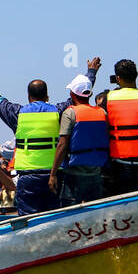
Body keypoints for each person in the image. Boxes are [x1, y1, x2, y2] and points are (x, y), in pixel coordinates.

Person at [0, 57, 98, 215]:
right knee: (55, 219)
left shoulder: (17, 114)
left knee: (30, 223)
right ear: (47, 96)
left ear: (28, 97)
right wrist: (91, 73)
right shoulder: (58, 112)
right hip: (54, 177)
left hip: (28, 179)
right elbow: (79, 95)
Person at [98, 59, 138, 195]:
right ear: (136, 75)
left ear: (117, 78)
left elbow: (101, 127)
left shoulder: (108, 99)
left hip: (120, 166)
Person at [49, 74, 108, 206]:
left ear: (72, 93)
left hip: (73, 175)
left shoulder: (70, 113)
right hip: (96, 172)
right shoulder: (102, 113)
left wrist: (53, 174)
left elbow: (62, 145)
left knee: (70, 214)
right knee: (96, 212)